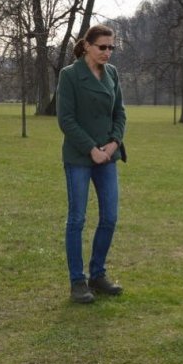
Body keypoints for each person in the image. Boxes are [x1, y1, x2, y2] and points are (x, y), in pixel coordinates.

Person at [57, 25, 127, 304]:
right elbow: (66, 119)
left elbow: (120, 113)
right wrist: (91, 149)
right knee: (77, 219)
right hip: (79, 158)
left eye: (111, 47)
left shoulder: (112, 74)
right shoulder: (70, 75)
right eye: (103, 47)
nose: (108, 52)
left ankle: (98, 274)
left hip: (107, 157)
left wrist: (113, 143)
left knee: (109, 217)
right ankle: (78, 282)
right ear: (87, 46)